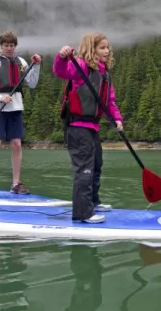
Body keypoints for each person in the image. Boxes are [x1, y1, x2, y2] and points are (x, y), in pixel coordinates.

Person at [53, 33, 123, 223]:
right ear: (91, 49)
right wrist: (61, 56)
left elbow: (110, 101)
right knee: (84, 169)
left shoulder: (104, 73)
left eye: (108, 48)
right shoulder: (80, 65)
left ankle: (93, 202)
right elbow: (61, 72)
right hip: (77, 127)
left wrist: (116, 119)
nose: (107, 51)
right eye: (102, 48)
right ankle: (82, 213)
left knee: (96, 165)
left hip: (92, 127)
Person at [0, 30, 42, 195]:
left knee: (16, 144)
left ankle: (16, 184)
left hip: (15, 108)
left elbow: (32, 83)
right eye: (6, 45)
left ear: (15, 46)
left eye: (12, 45)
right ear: (1, 46)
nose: (9, 48)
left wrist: (36, 66)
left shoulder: (21, 62)